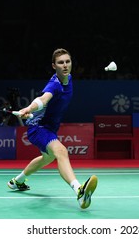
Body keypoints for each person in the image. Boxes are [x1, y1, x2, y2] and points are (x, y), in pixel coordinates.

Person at [7, 48, 98, 209]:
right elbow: (43, 98)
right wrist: (29, 108)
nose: (65, 65)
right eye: (60, 63)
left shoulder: (68, 78)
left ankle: (17, 181)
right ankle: (79, 191)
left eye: (67, 62)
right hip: (38, 128)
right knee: (61, 151)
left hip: (49, 128)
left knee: (47, 158)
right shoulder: (54, 84)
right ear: (54, 66)